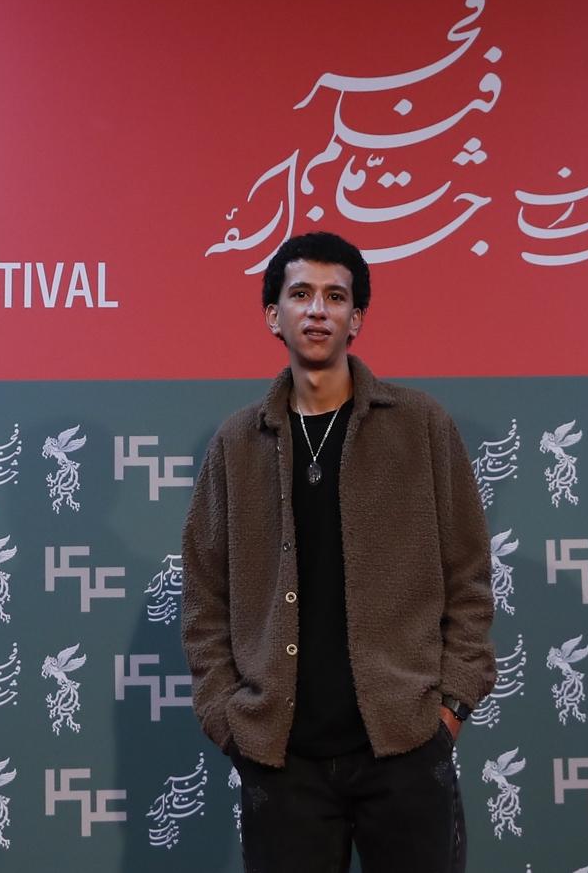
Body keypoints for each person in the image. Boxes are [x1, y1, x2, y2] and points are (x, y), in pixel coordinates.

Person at [181, 231, 496, 873]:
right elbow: (203, 595)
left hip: (406, 746)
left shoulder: (420, 425)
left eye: (335, 296)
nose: (318, 310)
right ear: (274, 316)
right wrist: (228, 719)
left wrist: (450, 710)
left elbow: (469, 575)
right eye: (301, 294)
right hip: (282, 758)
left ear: (357, 318)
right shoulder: (237, 444)